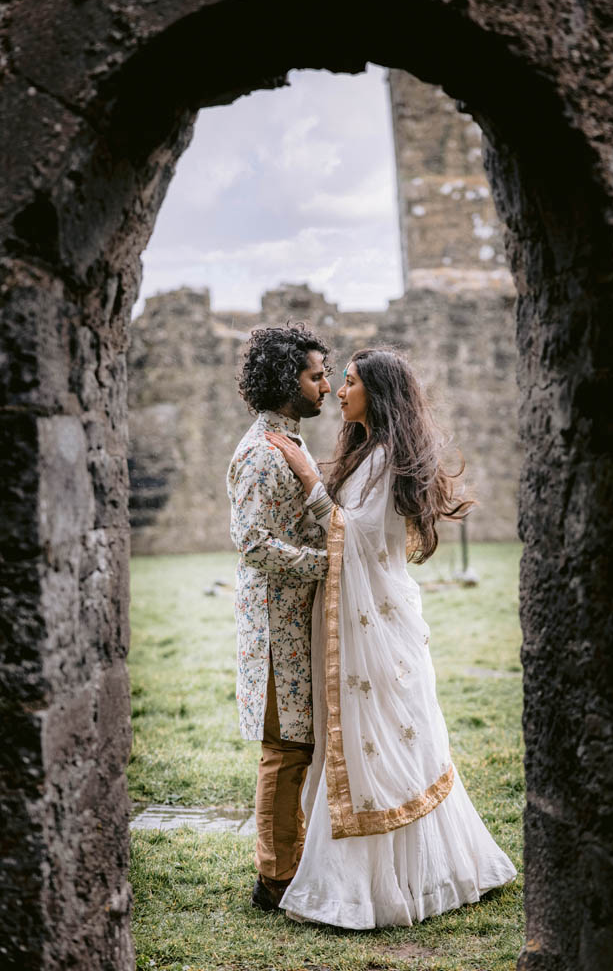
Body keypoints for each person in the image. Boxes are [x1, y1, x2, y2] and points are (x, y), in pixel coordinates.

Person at [266, 347, 517, 929]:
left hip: (375, 622)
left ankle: (377, 886)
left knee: (384, 737)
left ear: (375, 394)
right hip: (360, 616)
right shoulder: (366, 453)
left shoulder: (382, 458)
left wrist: (307, 478)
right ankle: (384, 875)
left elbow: (356, 536)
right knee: (370, 736)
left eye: (348, 382)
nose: (337, 391)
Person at [226, 324, 332, 912]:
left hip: (297, 622)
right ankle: (274, 880)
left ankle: (290, 865)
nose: (325, 386)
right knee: (284, 749)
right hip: (275, 629)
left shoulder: (287, 441)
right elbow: (255, 544)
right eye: (315, 376)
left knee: (299, 745)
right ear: (284, 380)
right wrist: (332, 566)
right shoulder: (262, 453)